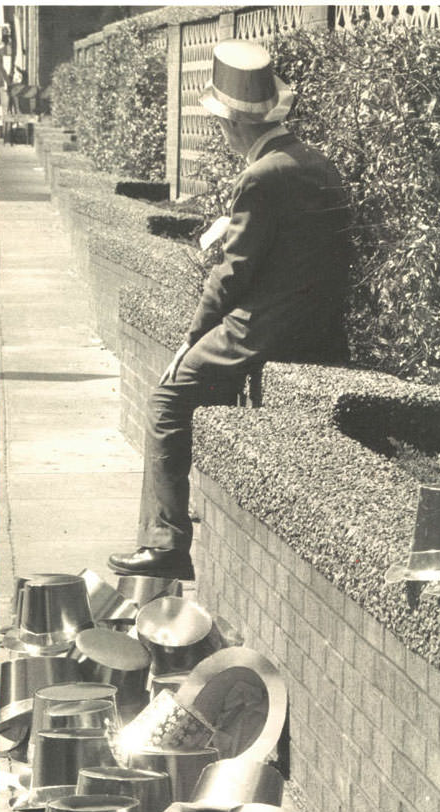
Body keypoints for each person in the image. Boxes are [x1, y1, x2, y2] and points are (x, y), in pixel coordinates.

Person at [107, 40, 351, 581]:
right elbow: (292, 243)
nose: (220, 134)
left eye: (220, 125)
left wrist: (190, 339)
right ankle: (163, 540)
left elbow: (233, 275)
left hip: (266, 328)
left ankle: (168, 543)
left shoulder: (259, 176)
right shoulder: (313, 162)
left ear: (235, 126)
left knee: (169, 398)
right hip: (319, 326)